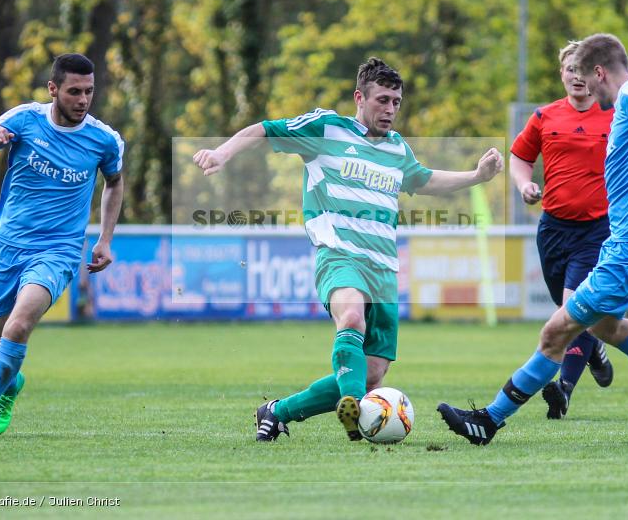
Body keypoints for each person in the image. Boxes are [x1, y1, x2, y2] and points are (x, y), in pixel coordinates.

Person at [193, 57, 505, 442]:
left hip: (384, 270)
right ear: (360, 97)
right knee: (352, 318)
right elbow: (264, 129)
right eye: (382, 100)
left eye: (396, 102)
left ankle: (277, 411)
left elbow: (424, 180)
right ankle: (358, 415)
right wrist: (222, 153)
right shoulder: (327, 129)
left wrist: (477, 176)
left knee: (373, 370)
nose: (390, 109)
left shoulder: (397, 149)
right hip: (339, 256)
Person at [438, 33, 628, 445]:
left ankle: (489, 420)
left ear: (600, 72)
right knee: (606, 327)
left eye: (588, 77)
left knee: (555, 332)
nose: (587, 88)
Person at [0, 53, 124, 440]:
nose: (83, 100)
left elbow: (114, 182)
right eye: (74, 91)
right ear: (53, 89)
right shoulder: (23, 120)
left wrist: (105, 238)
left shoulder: (104, 139)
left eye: (89, 91)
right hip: (6, 245)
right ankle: (8, 389)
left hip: (58, 252)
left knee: (20, 324)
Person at [509, 41, 615, 420]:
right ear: (562, 74)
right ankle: (596, 349)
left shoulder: (615, 115)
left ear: (597, 74)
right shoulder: (544, 116)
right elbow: (520, 157)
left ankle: (564, 390)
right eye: (571, 68)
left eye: (584, 69)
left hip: (596, 230)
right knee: (569, 311)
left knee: (574, 307)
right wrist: (524, 185)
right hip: (553, 228)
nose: (577, 76)